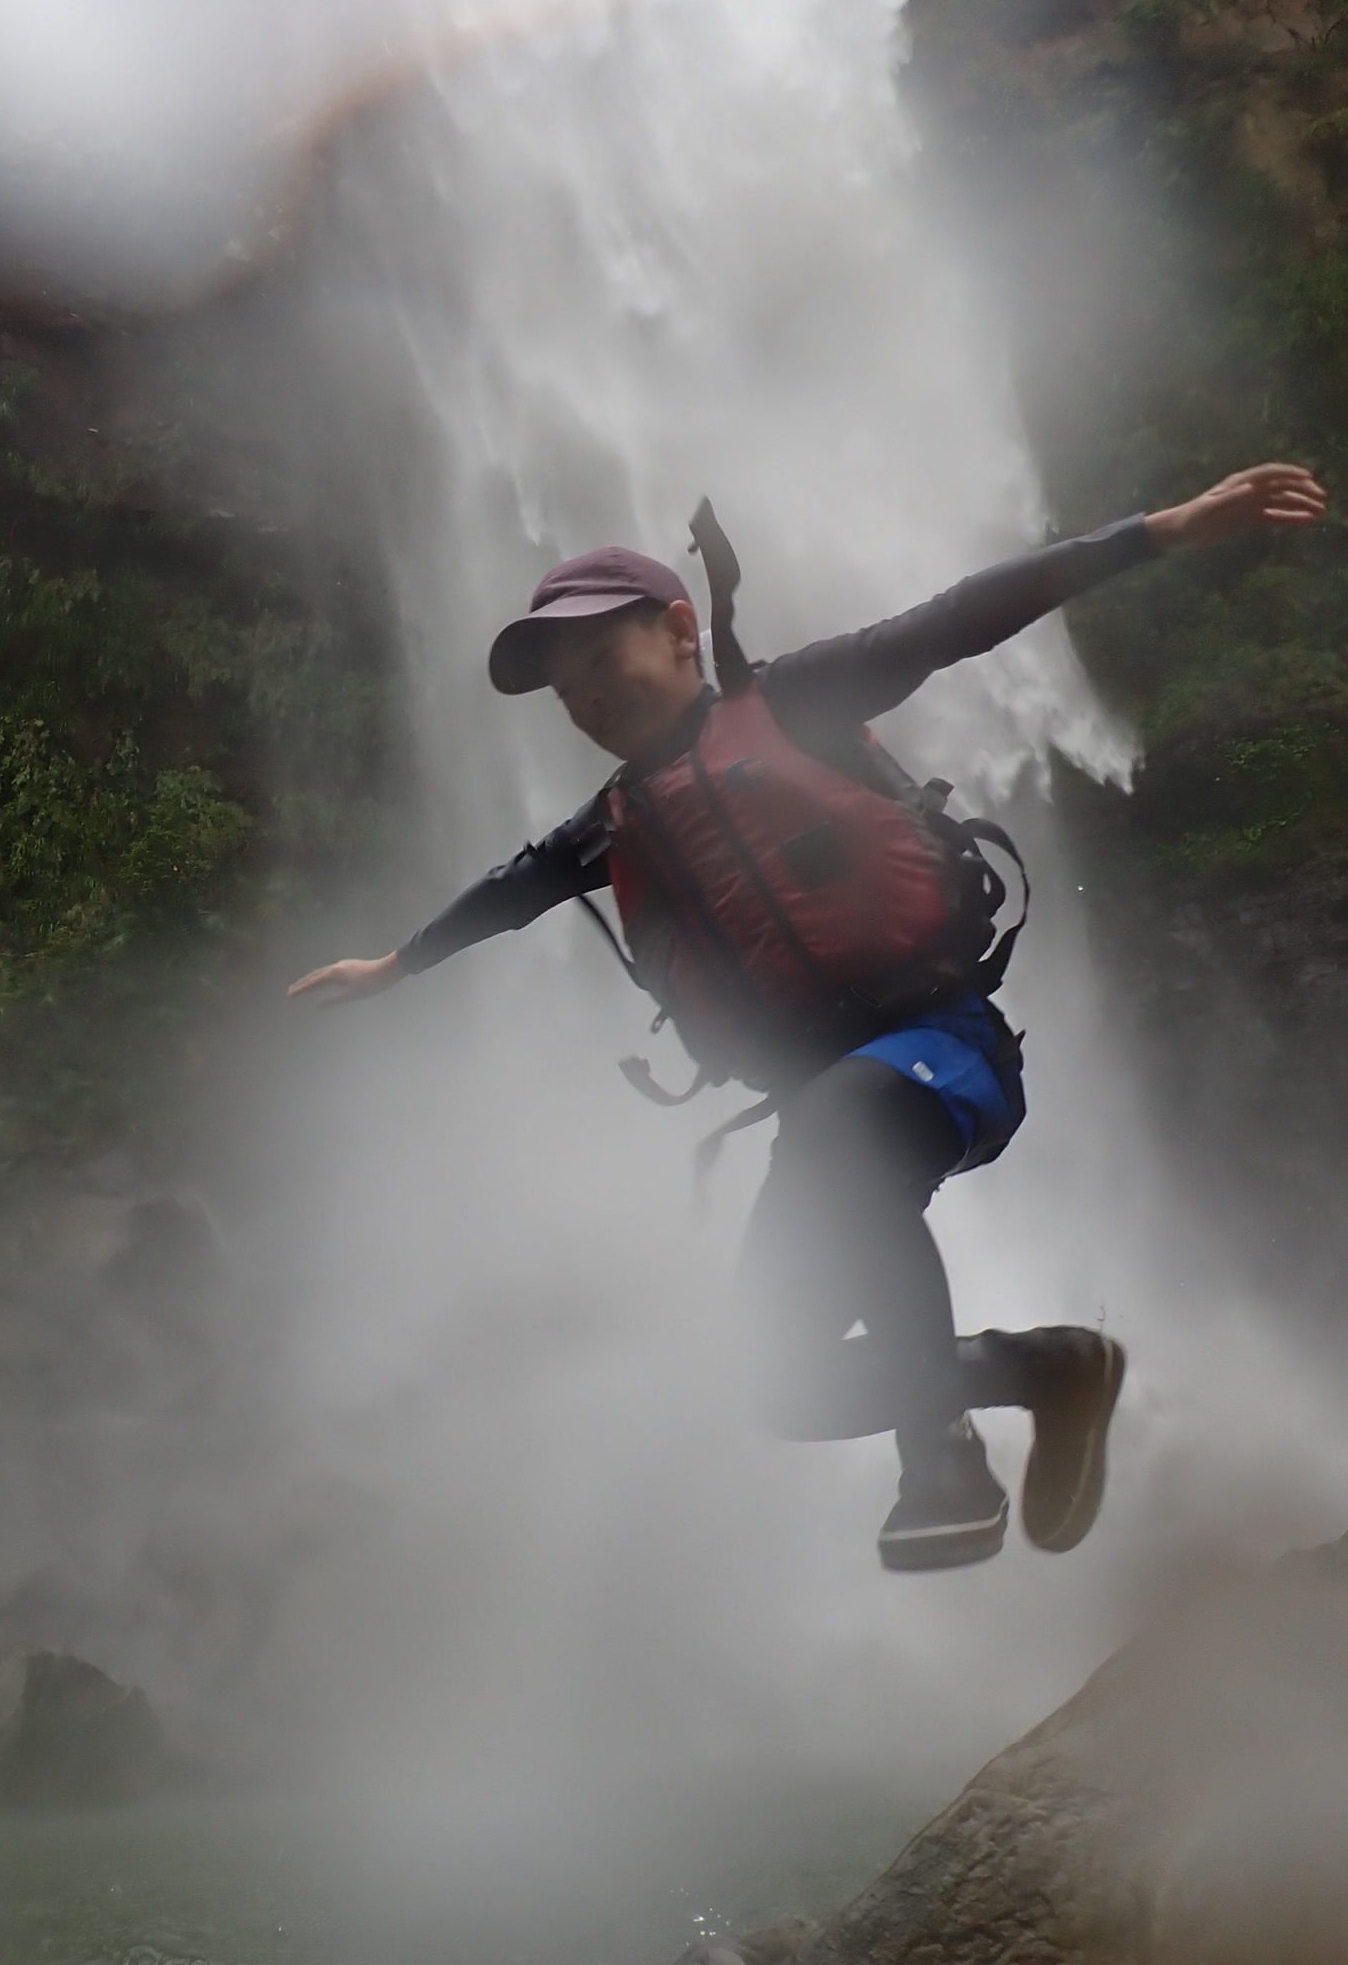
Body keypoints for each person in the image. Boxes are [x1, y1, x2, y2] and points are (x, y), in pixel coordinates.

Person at [289, 462, 1328, 1572]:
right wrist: (395, 966)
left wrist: (1158, 531)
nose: (591, 698)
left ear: (682, 630)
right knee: (775, 1381)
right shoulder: (611, 822)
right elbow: (511, 888)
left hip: (945, 1047)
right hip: (833, 1115)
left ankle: (942, 1461)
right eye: (570, 692)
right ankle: (1048, 1368)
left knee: (837, 1125)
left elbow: (962, 615)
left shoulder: (795, 700)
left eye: (605, 661)